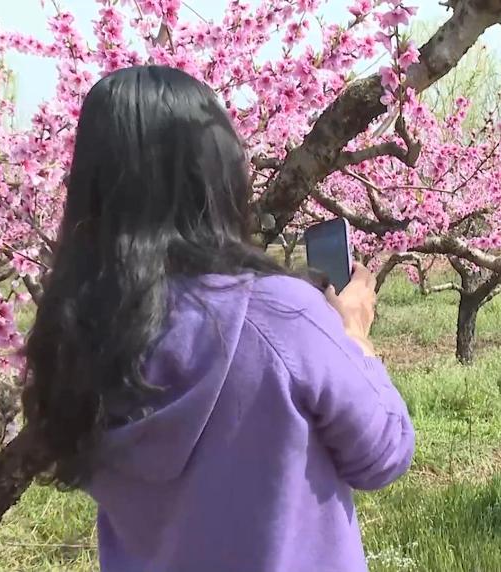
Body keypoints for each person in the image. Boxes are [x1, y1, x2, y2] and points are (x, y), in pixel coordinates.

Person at [22, 65, 415, 572]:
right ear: (219, 175)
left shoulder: (81, 332)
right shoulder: (279, 315)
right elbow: (382, 454)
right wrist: (354, 337)